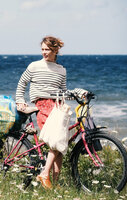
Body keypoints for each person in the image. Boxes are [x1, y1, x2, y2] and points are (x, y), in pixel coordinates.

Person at [16, 36, 87, 189]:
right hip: (42, 104)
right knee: (56, 140)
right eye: (42, 49)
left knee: (60, 144)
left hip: (57, 105)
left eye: (47, 49)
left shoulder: (61, 70)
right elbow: (22, 83)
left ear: (55, 50)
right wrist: (20, 100)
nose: (44, 52)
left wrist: (77, 93)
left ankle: (54, 184)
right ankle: (44, 173)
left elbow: (62, 91)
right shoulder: (34, 66)